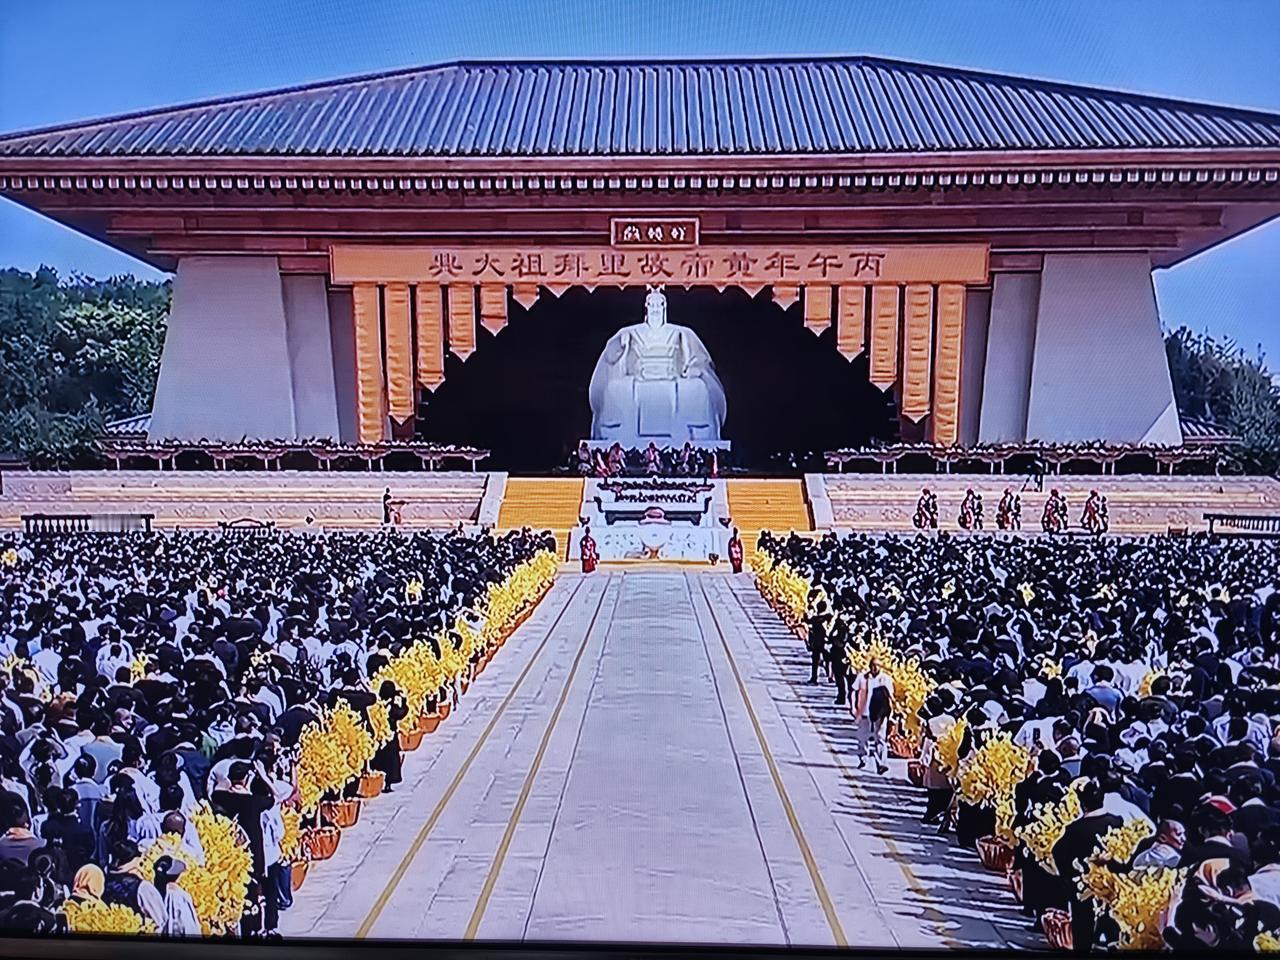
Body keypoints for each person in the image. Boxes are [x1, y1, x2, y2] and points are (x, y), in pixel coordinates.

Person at [851, 658, 894, 774]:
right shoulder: (862, 677)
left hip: (880, 713)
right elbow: (854, 691)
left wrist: (891, 714)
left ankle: (881, 763)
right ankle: (863, 757)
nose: (875, 668)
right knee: (862, 737)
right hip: (865, 712)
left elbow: (890, 697)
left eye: (878, 665)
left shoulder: (885, 679)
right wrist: (853, 707)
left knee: (880, 738)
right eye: (873, 665)